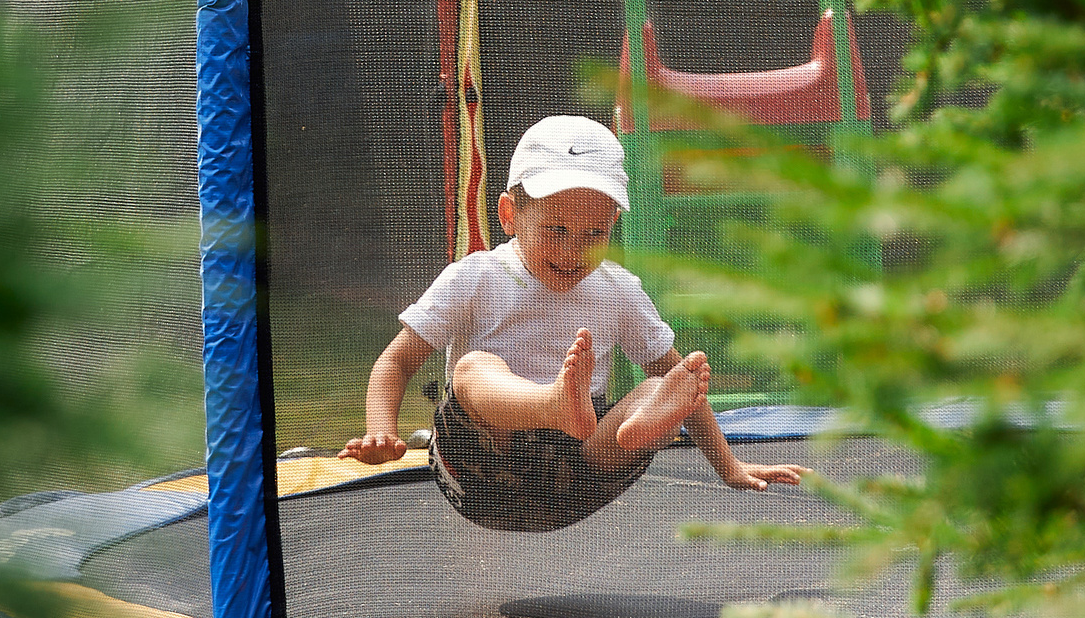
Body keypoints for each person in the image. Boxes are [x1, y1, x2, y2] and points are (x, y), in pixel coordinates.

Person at [341, 114, 807, 532]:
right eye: (556, 230)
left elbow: (683, 382)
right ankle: (552, 404)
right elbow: (397, 362)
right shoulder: (476, 277)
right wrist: (381, 430)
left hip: (579, 475)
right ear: (510, 215)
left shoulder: (618, 290)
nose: (572, 252)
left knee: (660, 387)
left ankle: (630, 433)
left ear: (612, 225)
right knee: (474, 367)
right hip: (481, 469)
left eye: (594, 234)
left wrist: (729, 467)